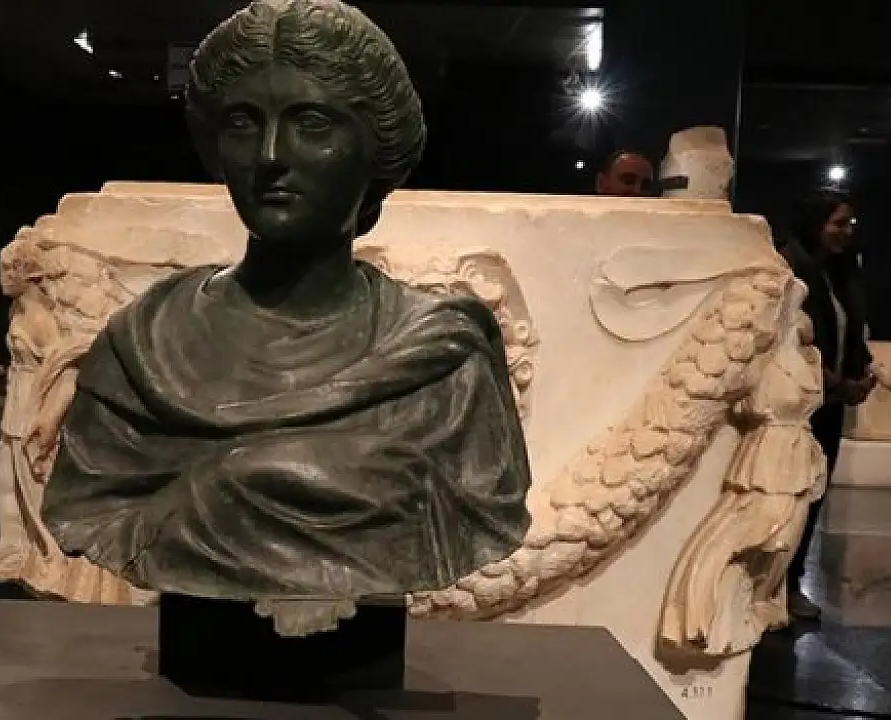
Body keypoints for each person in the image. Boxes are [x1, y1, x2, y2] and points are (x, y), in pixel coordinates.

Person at [39, 0, 532, 603]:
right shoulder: (146, 343)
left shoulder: (445, 359)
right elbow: (93, 507)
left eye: (313, 124)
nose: (271, 155)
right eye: (243, 124)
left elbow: (480, 503)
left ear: (376, 150)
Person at [779, 189, 876, 621]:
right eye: (838, 223)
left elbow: (850, 331)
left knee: (813, 495)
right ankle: (770, 586)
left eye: (849, 224)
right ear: (816, 222)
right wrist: (833, 381)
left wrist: (861, 375)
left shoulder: (840, 273)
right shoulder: (789, 269)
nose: (845, 231)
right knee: (787, 496)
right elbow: (788, 339)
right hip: (795, 407)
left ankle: (790, 583)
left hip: (830, 405)